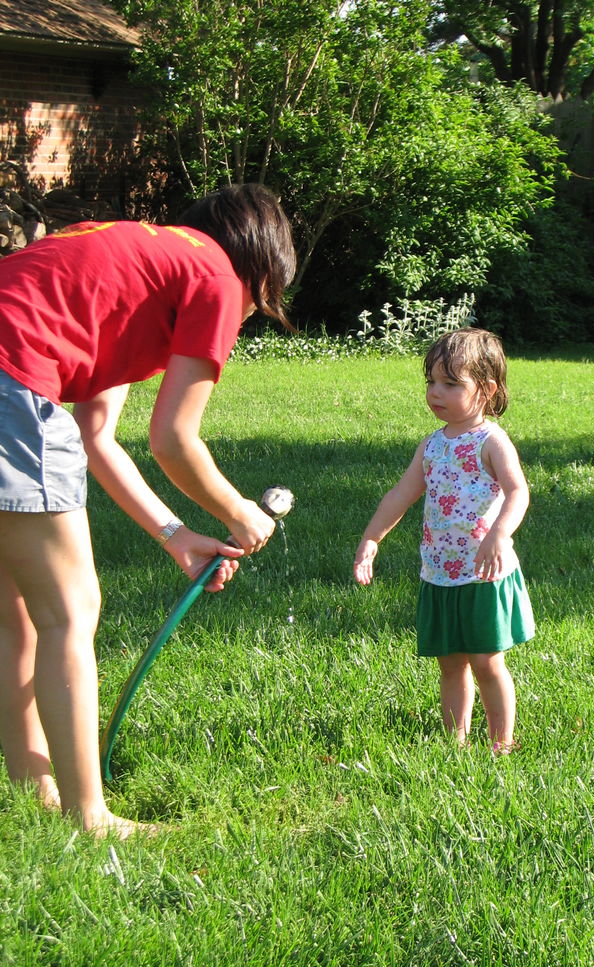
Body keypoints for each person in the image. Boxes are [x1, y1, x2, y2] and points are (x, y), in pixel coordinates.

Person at [0, 182, 296, 836]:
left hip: (12, 369)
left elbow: (94, 436)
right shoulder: (219, 276)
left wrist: (175, 534)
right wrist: (240, 512)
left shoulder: (140, 267)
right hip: (11, 379)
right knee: (68, 613)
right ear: (265, 273)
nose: (243, 321)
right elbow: (173, 439)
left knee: (16, 613)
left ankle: (35, 796)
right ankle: (89, 816)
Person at [353, 328, 534, 753]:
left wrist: (498, 535)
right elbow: (401, 493)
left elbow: (518, 492)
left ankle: (501, 743)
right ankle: (455, 741)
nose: (437, 392)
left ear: (486, 390)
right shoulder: (432, 445)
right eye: (432, 382)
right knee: (450, 663)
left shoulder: (491, 441)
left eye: (451, 384)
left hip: (482, 573)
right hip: (439, 572)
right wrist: (372, 538)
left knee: (487, 662)